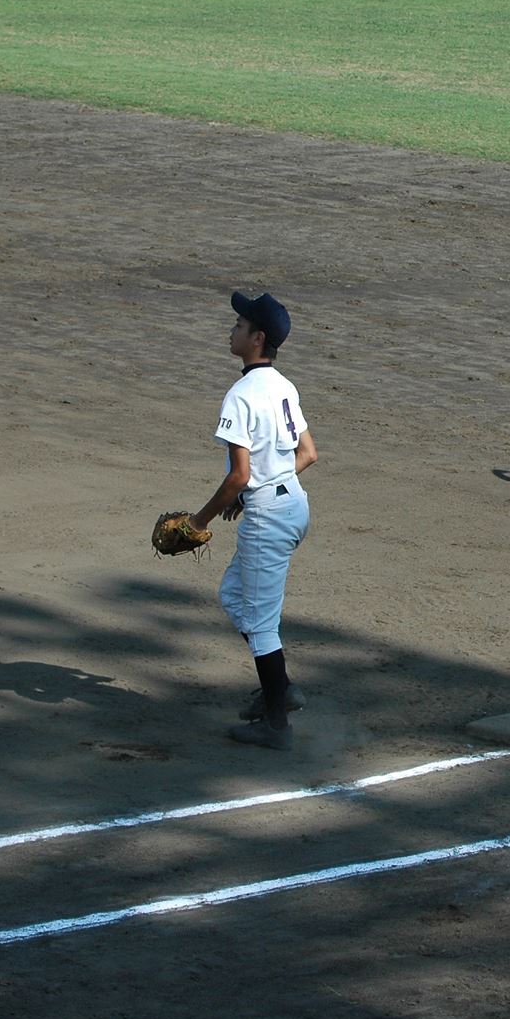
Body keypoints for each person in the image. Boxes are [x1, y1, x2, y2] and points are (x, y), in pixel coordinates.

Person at [188, 290, 317, 751]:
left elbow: (239, 475)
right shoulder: (284, 386)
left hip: (269, 518)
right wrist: (258, 486)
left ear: (257, 338)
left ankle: (276, 724)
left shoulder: (241, 395)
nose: (232, 330)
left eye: (240, 325)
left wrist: (198, 521)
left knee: (261, 624)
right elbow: (308, 454)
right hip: (293, 506)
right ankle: (280, 689)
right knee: (233, 594)